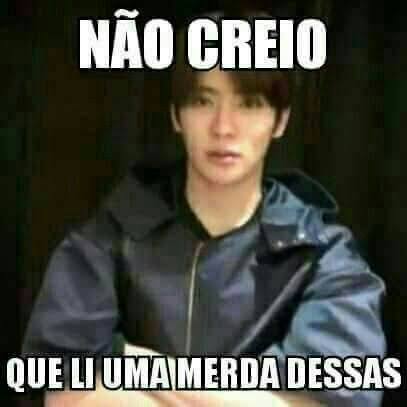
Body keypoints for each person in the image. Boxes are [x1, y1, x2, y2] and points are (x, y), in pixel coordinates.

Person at [22, 10, 386, 407]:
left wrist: (133, 361)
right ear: (176, 115)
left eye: (249, 103)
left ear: (280, 120)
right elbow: (64, 394)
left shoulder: (324, 255)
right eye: (202, 101)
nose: (223, 127)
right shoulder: (108, 238)